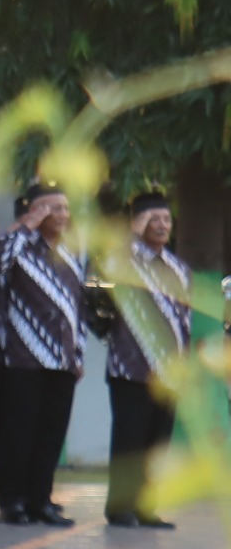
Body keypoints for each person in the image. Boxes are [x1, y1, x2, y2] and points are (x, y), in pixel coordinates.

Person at [0, 181, 86, 526]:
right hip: (23, 357)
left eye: (65, 208)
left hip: (61, 358)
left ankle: (40, 499)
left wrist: (79, 353)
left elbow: (77, 306)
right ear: (34, 211)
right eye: (52, 208)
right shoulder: (16, 246)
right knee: (19, 432)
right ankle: (13, 500)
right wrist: (25, 228)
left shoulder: (73, 253)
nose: (61, 215)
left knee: (50, 433)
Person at [99, 190, 188, 529]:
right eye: (155, 218)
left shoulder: (178, 268)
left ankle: (146, 507)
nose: (163, 225)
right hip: (131, 369)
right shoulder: (122, 260)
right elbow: (101, 287)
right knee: (130, 441)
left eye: (167, 218)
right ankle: (120, 508)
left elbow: (184, 320)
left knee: (156, 445)